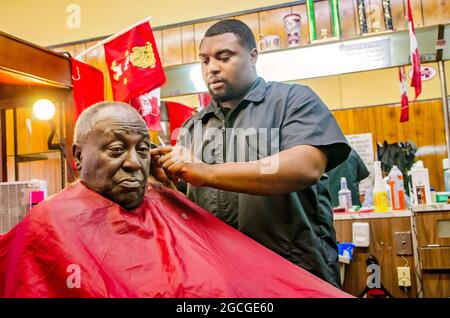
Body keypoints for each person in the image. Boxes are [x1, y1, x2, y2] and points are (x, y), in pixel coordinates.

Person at [0, 102, 350, 298]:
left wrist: (186, 184)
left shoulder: (290, 104)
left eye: (143, 149)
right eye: (118, 150)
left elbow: (306, 167)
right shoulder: (49, 227)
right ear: (78, 155)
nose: (135, 162)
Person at [151, 19, 351, 288]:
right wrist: (167, 184)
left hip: (294, 274)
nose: (212, 68)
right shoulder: (193, 127)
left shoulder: (293, 100)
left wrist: (207, 172)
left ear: (253, 56)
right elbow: (191, 202)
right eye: (205, 60)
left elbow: (306, 167)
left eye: (224, 57)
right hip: (222, 277)